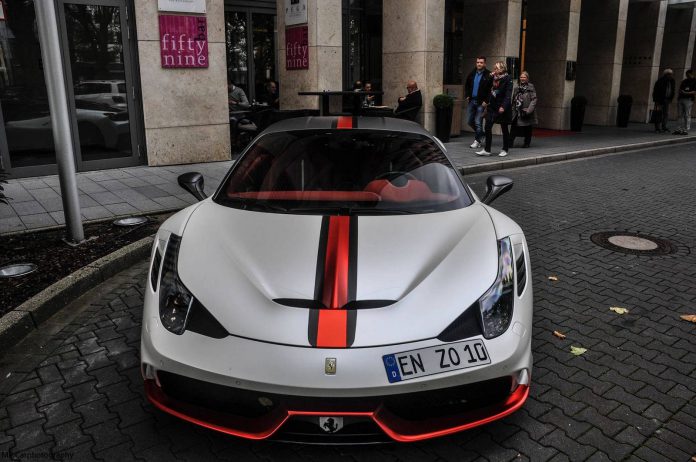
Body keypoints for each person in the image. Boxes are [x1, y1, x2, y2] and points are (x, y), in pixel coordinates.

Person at [476, 61, 513, 157]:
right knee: (487, 126)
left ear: (502, 69)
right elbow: (485, 87)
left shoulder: (508, 79)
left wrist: (503, 107)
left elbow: (508, 95)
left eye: (496, 68)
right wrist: (489, 77)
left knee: (504, 128)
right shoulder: (493, 78)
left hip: (502, 107)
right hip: (492, 106)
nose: (494, 70)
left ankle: (505, 149)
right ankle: (487, 149)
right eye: (494, 68)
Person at [465, 56, 493, 149]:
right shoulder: (472, 73)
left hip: (481, 103)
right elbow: (467, 85)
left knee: (478, 122)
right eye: (477, 62)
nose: (479, 64)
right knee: (469, 121)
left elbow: (491, 90)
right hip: (472, 101)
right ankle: (481, 134)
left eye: (481, 62)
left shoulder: (488, 75)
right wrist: (467, 95)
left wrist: (487, 101)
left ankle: (477, 141)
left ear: (484, 64)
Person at [510, 71, 538, 148]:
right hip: (517, 111)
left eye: (524, 77)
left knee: (527, 127)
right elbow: (513, 99)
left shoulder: (530, 87)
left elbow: (534, 99)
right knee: (514, 126)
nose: (522, 79)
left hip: (526, 111)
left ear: (527, 79)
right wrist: (512, 109)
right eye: (521, 77)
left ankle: (527, 143)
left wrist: (529, 110)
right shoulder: (516, 87)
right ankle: (510, 143)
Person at [652, 68, 675, 133]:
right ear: (666, 74)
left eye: (671, 74)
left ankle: (664, 127)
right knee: (658, 113)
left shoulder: (672, 81)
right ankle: (657, 128)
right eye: (669, 74)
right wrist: (656, 100)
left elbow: (673, 90)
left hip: (667, 100)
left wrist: (671, 98)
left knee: (665, 114)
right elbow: (655, 91)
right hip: (660, 100)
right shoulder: (660, 81)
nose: (671, 75)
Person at [674, 69, 695, 135]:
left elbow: (694, 91)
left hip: (689, 99)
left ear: (691, 74)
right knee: (679, 115)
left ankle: (686, 129)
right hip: (681, 98)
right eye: (686, 75)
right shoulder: (684, 81)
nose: (687, 76)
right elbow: (680, 89)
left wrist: (686, 93)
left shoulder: (695, 81)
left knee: (687, 114)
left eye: (688, 75)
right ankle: (678, 129)